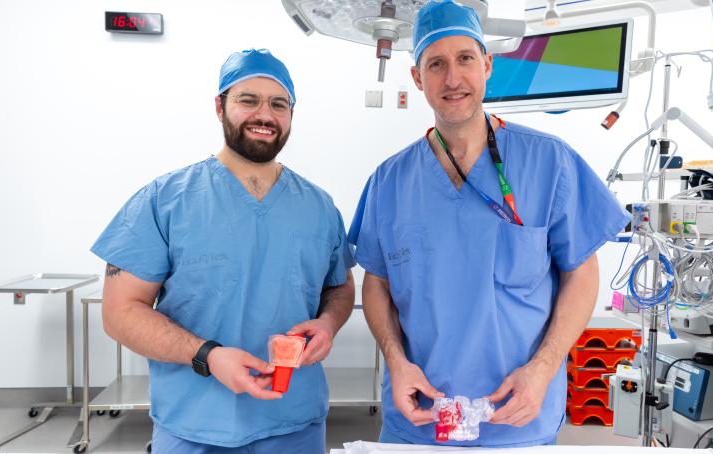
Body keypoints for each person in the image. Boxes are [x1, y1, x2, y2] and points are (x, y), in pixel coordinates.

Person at [349, 0, 630, 447]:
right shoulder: (389, 182)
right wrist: (396, 362)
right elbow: (377, 282)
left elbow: (582, 271)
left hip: (517, 418)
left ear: (488, 65)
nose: (453, 78)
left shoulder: (548, 162)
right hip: (420, 418)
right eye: (436, 64)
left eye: (465, 59)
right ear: (418, 79)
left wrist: (542, 370)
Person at [91, 48, 355, 453]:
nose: (264, 115)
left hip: (295, 423)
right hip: (194, 424)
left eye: (278, 104)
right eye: (248, 100)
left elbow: (338, 288)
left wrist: (329, 324)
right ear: (220, 106)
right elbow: (120, 312)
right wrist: (207, 355)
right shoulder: (164, 201)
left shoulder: (318, 207)